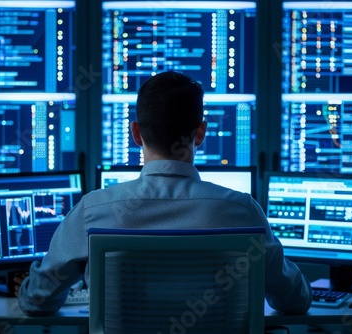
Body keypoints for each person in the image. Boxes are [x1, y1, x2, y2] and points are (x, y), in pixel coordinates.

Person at [16, 71, 312, 315]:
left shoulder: (93, 210)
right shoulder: (243, 211)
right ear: (200, 133)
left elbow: (37, 302)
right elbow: (295, 301)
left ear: (135, 133)